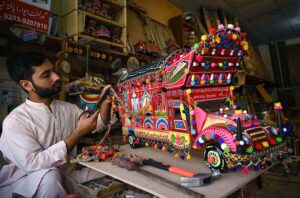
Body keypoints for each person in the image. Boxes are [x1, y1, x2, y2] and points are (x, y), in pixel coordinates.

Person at [0, 51, 112, 197]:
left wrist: (104, 105)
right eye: (46, 75)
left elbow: (95, 125)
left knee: (109, 170)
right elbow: (33, 164)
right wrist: (77, 133)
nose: (57, 77)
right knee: (51, 177)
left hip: (68, 172)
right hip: (31, 180)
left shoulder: (67, 108)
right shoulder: (15, 121)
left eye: (54, 71)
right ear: (27, 85)